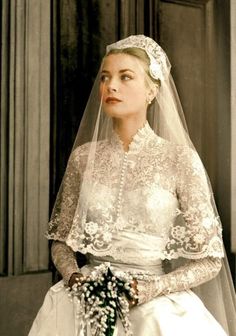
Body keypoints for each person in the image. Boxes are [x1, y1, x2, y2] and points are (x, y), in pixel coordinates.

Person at [29, 35, 236, 336]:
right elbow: (61, 240)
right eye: (105, 78)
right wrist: (75, 279)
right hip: (84, 299)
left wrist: (151, 288)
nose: (111, 86)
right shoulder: (83, 158)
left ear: (152, 90)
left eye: (125, 77)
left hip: (155, 305)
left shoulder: (180, 159)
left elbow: (210, 259)